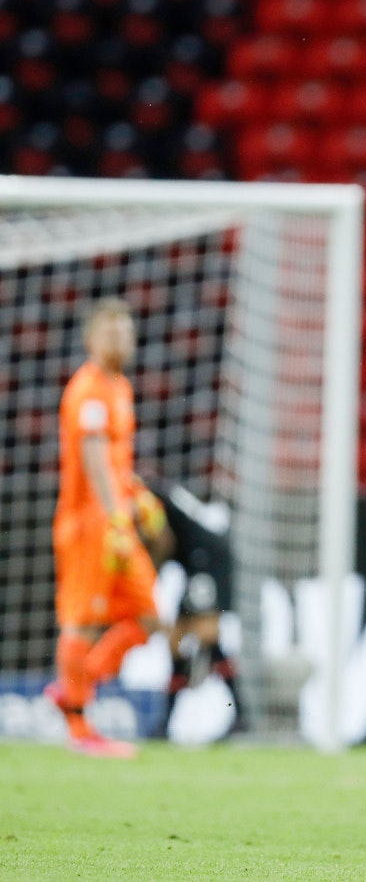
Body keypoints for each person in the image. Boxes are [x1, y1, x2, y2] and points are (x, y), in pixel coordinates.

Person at [45, 298, 165, 758]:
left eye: (126, 330)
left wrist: (137, 495)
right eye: (110, 331)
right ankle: (79, 727)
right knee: (82, 621)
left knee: (150, 616)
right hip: (89, 525)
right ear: (90, 339)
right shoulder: (89, 390)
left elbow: (115, 463)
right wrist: (117, 515)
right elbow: (94, 457)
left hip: (116, 519)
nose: (120, 339)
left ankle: (74, 687)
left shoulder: (120, 388)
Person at [136, 478, 245, 739]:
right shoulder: (146, 491)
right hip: (196, 564)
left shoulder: (144, 497)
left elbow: (164, 542)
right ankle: (166, 724)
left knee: (206, 635)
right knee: (177, 643)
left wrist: (145, 579)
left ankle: (240, 714)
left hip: (207, 559)